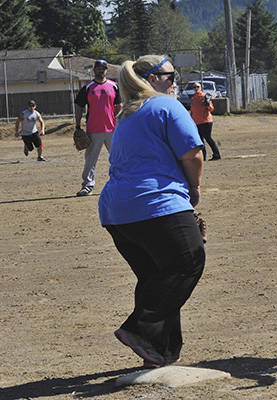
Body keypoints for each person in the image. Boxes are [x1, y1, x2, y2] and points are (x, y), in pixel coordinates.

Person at [98, 55, 206, 368]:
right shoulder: (167, 105)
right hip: (154, 203)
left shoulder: (127, 114)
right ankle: (140, 330)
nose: (175, 83)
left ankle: (160, 352)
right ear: (153, 79)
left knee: (156, 277)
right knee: (189, 261)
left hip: (116, 213)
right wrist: (193, 189)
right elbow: (193, 154)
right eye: (170, 77)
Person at [74, 59, 122, 196]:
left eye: (103, 68)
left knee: (118, 158)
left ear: (106, 70)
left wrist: (118, 121)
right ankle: (87, 185)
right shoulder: (88, 87)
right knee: (90, 160)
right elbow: (79, 106)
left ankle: (121, 182)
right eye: (98, 68)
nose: (101, 70)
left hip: (112, 129)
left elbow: (119, 106)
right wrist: (77, 125)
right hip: (93, 129)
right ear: (94, 70)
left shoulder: (114, 86)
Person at [190, 82, 221, 161]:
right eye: (194, 87)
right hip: (197, 122)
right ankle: (203, 157)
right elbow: (193, 111)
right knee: (200, 140)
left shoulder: (204, 96)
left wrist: (208, 104)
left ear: (200, 88)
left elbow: (211, 109)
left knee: (208, 138)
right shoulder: (193, 99)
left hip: (206, 121)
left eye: (197, 87)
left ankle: (216, 155)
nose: (196, 88)